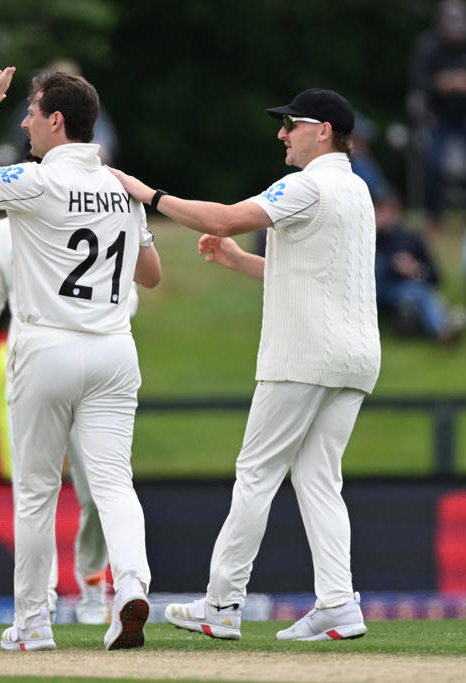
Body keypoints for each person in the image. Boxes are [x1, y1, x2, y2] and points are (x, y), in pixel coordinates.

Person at [110, 88, 381, 642]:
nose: (282, 133)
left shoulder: (307, 184)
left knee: (256, 475)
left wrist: (148, 193)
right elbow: (313, 274)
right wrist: (240, 262)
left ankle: (222, 604)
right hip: (355, 360)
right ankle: (337, 603)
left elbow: (228, 217)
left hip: (303, 356)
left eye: (292, 124)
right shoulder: (357, 189)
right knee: (318, 479)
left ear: (323, 130)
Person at [0, 68, 162, 651]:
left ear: (57, 120)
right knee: (114, 483)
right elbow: (152, 276)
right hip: (115, 349)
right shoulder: (118, 184)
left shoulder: (39, 181)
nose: (25, 121)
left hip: (46, 347)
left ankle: (34, 624)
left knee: (36, 491)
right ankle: (131, 583)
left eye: (32, 112)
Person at [0, 216, 141, 625]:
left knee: (76, 491)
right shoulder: (3, 231)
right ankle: (53, 594)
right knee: (62, 488)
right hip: (50, 367)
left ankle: (75, 591)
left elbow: (130, 290)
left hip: (51, 367)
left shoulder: (93, 216)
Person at [374, 193, 464, 344]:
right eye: (380, 211)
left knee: (420, 292)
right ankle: (446, 322)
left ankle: (442, 331)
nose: (385, 216)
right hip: (375, 289)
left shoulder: (410, 238)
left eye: (389, 210)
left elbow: (435, 277)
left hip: (402, 289)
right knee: (379, 263)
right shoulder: (367, 237)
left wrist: (415, 269)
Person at [408, 0, 466, 230]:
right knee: (432, 160)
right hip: (436, 114)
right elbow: (416, 80)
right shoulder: (428, 45)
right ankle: (435, 216)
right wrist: (437, 83)